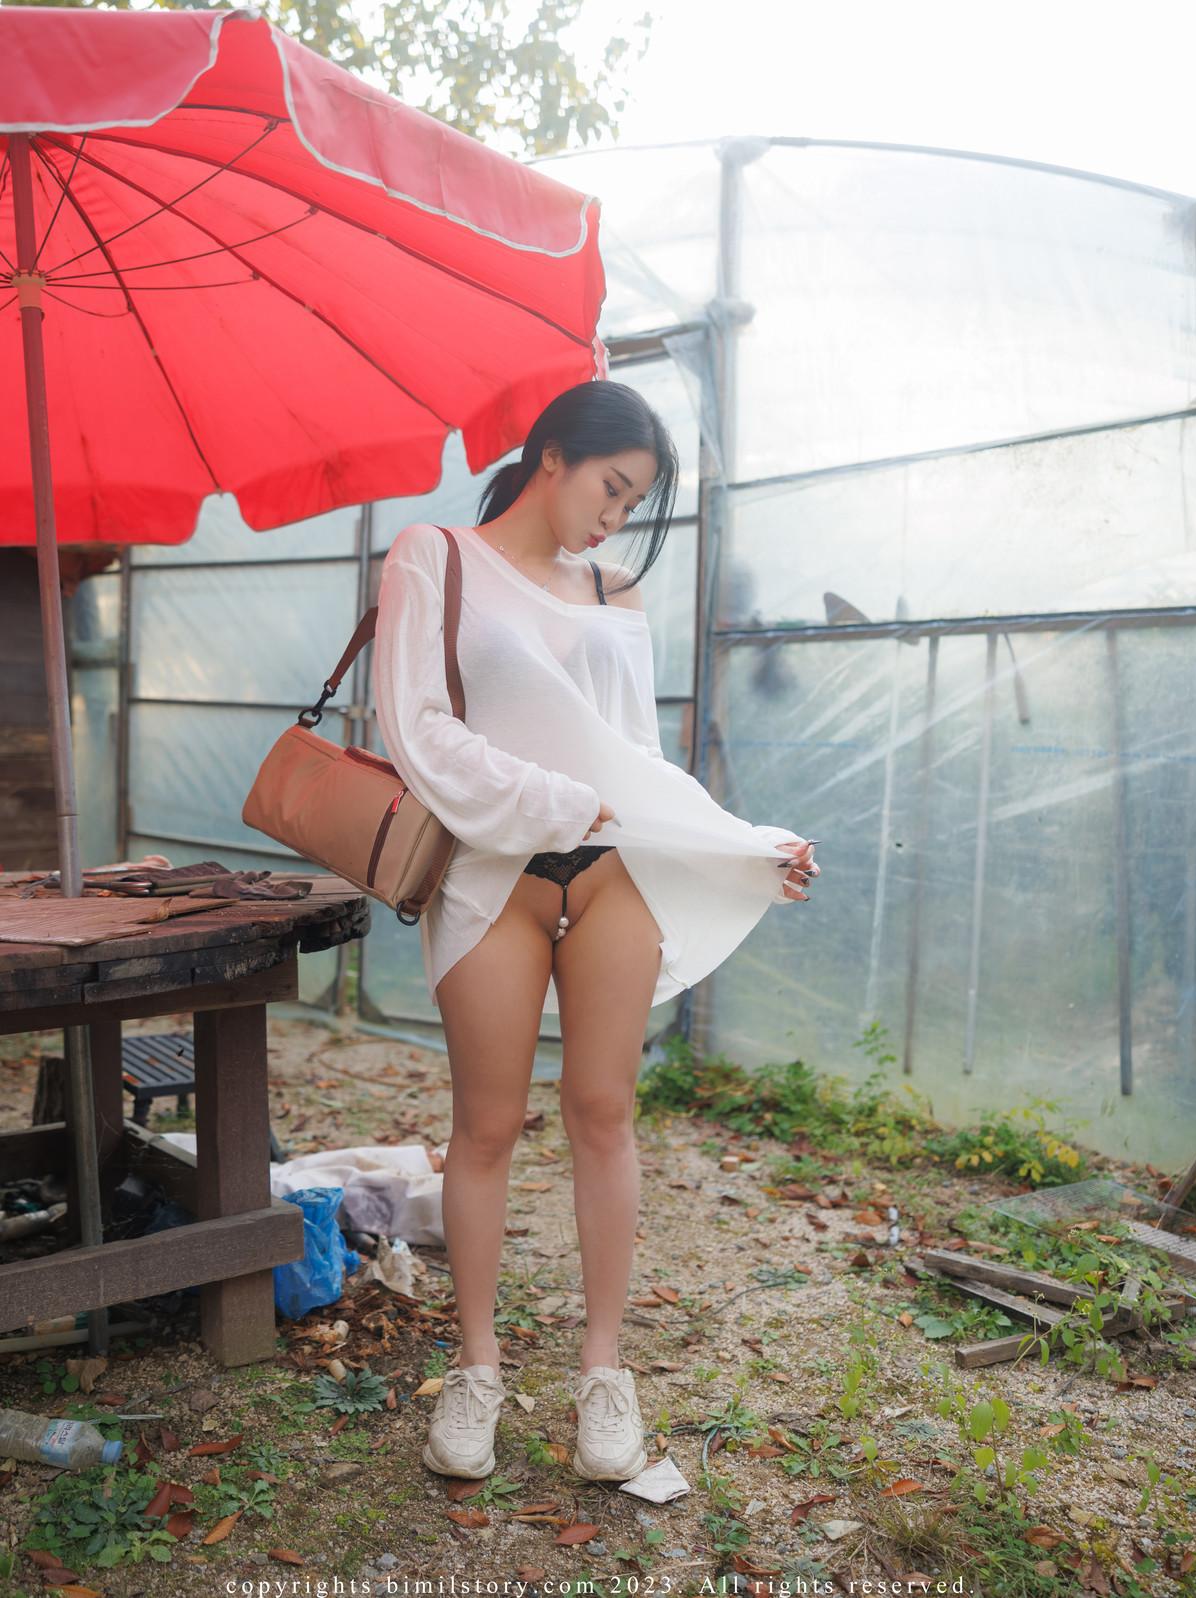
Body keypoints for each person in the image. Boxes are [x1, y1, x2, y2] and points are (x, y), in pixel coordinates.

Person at [371, 380, 819, 1485]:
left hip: (617, 878)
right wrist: (556, 802)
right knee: (485, 1128)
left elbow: (637, 763)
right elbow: (416, 729)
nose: (616, 518)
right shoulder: (435, 557)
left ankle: (605, 1374)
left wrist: (747, 845)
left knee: (605, 1115)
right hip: (493, 879)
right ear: (553, 457)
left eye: (634, 502)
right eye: (611, 488)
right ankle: (477, 1369)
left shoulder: (618, 592)